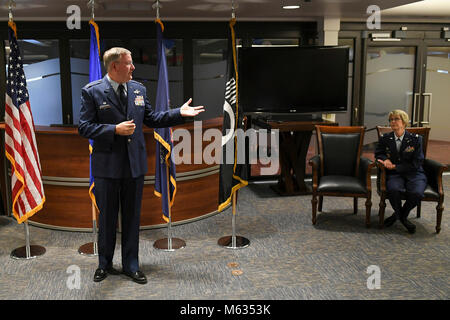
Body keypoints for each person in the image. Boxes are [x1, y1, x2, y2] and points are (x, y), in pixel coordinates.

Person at [78, 47, 204, 284]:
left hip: (134, 166)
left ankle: (131, 264)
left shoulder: (138, 89)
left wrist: (179, 113)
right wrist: (113, 129)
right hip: (107, 168)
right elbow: (84, 127)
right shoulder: (92, 92)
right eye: (129, 63)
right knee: (107, 220)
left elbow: (153, 118)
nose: (133, 67)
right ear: (114, 66)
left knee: (132, 218)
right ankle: (104, 264)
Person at [375, 109, 427, 234]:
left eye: (396, 119)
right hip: (394, 175)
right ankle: (402, 218)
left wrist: (396, 167)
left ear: (404, 122)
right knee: (393, 190)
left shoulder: (415, 139)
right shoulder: (386, 138)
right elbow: (378, 153)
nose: (393, 122)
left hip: (414, 173)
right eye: (391, 120)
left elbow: (417, 162)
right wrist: (385, 159)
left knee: (417, 193)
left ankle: (399, 216)